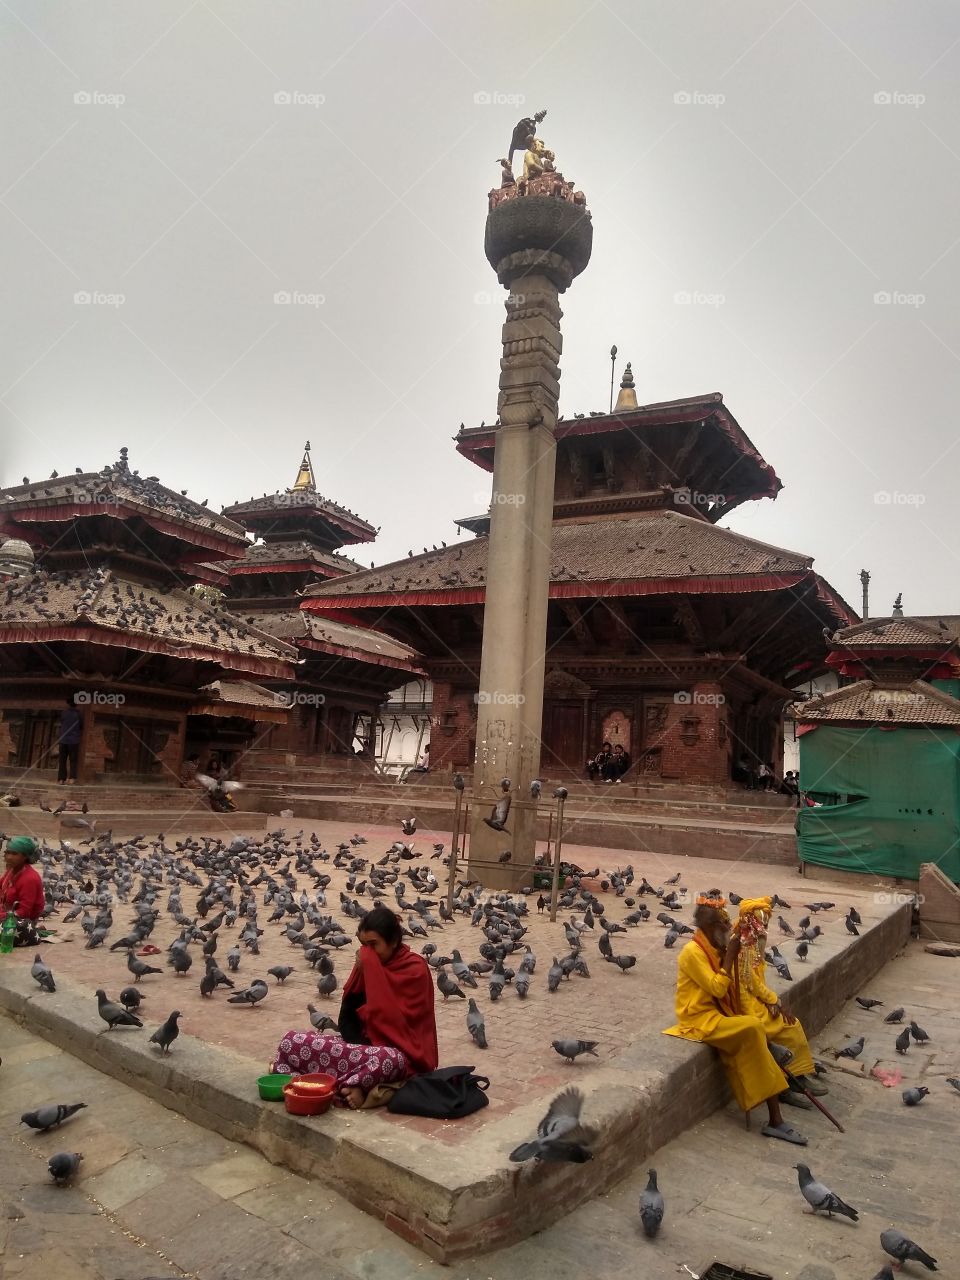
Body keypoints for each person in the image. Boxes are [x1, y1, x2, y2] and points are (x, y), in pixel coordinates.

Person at [663, 894, 807, 1144]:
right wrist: (729, 957)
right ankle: (776, 1118)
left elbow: (739, 981)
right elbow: (718, 988)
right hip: (698, 1019)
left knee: (756, 1031)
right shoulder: (692, 952)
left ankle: (776, 1116)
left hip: (720, 1013)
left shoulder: (714, 946)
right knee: (753, 1028)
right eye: (723, 927)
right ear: (709, 928)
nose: (727, 931)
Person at [271, 905, 438, 1110]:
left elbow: (391, 1021)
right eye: (363, 945)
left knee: (387, 1059)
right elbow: (347, 1023)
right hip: (363, 1051)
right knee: (292, 1041)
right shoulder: (368, 964)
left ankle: (349, 1084)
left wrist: (371, 969)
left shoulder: (415, 969)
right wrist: (366, 971)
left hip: (401, 1057)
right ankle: (352, 1083)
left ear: (393, 942)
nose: (367, 951)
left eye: (374, 944)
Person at [734, 897, 826, 1109]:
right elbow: (747, 980)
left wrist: (771, 1000)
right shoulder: (743, 944)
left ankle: (798, 1076)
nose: (764, 926)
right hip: (745, 1004)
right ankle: (785, 1085)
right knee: (783, 1027)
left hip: (756, 998)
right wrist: (771, 1001)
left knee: (792, 1024)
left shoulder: (752, 941)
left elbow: (756, 980)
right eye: (761, 921)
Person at [0, 837, 46, 945]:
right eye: (7, 853)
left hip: (19, 922)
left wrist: (2, 915)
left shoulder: (30, 878)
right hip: (5, 914)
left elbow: (24, 912)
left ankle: (34, 930)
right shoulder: (12, 870)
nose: (9, 857)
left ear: (25, 857)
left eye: (15, 854)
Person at [56, 695, 82, 785]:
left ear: (68, 704)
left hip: (63, 740)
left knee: (62, 760)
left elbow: (62, 723)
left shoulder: (64, 713)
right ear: (76, 704)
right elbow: (81, 726)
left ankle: (61, 779)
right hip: (74, 741)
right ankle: (72, 778)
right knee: (73, 760)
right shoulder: (79, 714)